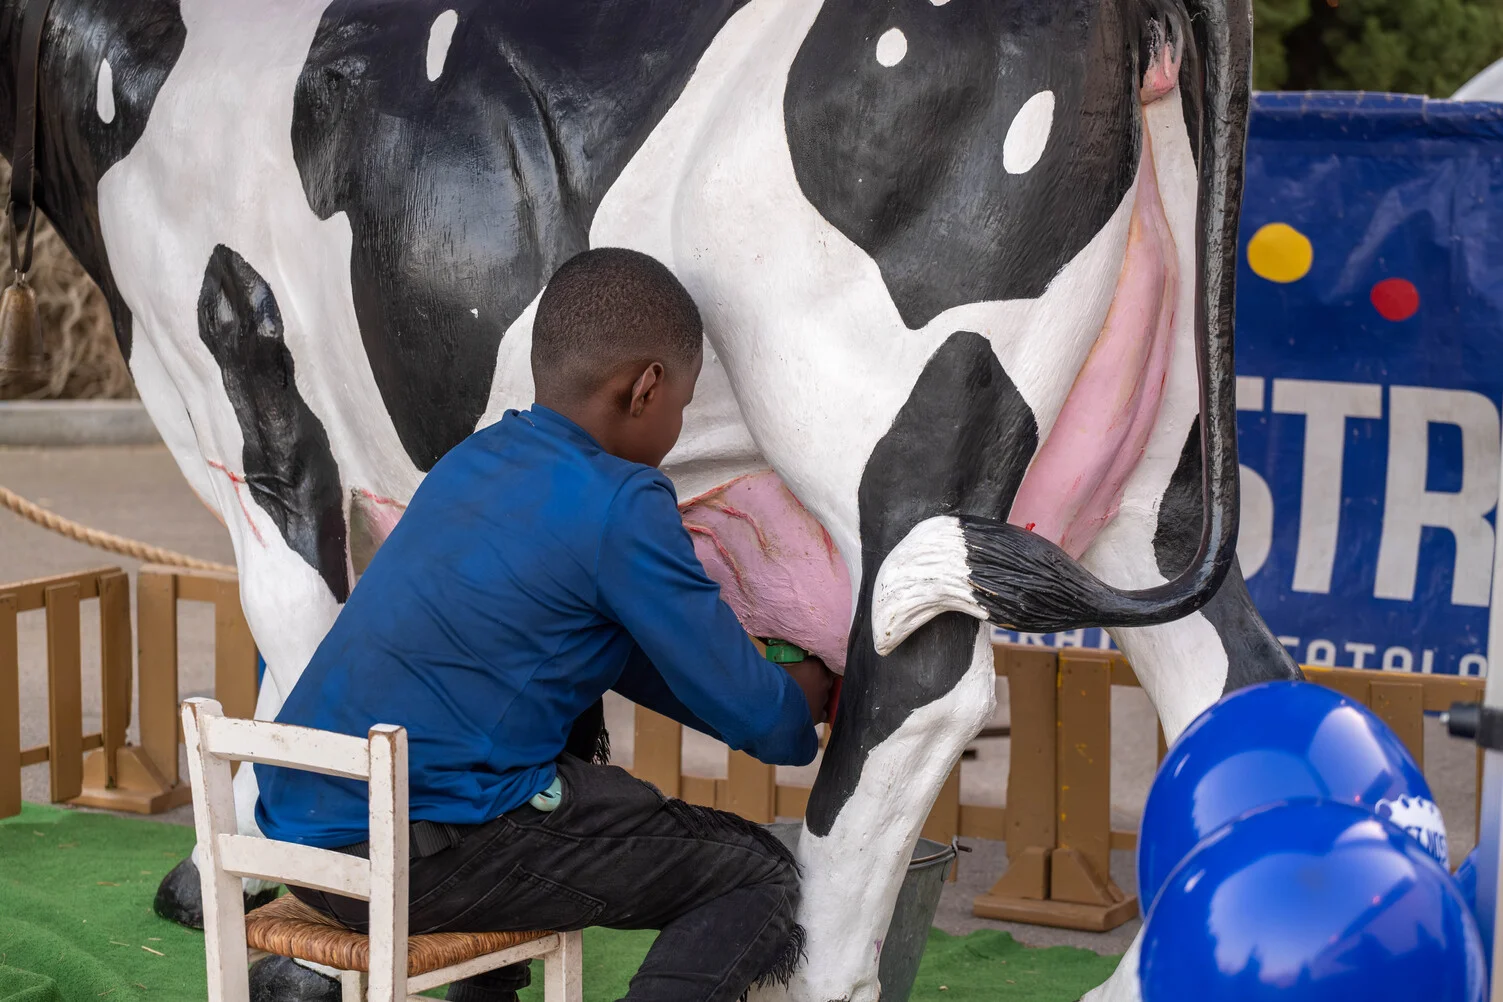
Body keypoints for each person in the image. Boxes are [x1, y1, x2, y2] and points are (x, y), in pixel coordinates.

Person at [254, 248, 836, 1002]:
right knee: (752, 872)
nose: (678, 423)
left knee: (534, 764)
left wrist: (758, 699)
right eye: (684, 405)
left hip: (309, 836)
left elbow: (613, 656)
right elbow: (776, 732)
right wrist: (797, 697)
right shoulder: (622, 502)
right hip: (415, 857)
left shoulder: (473, 459)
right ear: (646, 387)